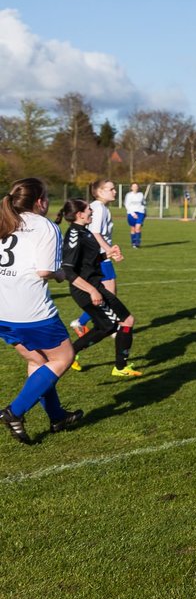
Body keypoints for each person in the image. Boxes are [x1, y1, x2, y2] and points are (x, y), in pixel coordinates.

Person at [0, 178, 84, 444]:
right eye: (46, 196)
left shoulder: (5, 220)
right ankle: (14, 412)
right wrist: (61, 273)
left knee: (37, 361)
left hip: (3, 309)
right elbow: (45, 271)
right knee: (63, 357)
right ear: (39, 201)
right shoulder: (44, 226)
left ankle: (57, 416)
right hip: (31, 310)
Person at [55, 199, 142, 378]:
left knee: (107, 327)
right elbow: (68, 271)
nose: (92, 212)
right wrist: (92, 291)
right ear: (79, 214)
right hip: (87, 289)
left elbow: (87, 262)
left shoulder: (84, 232)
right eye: (88, 210)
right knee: (125, 321)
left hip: (95, 285)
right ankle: (120, 367)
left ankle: (71, 353)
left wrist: (106, 255)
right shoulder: (74, 235)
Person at [69, 179, 120, 336]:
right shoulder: (99, 208)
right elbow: (95, 233)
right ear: (100, 192)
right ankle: (86, 323)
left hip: (98, 256)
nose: (115, 191)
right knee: (109, 295)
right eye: (111, 189)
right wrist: (109, 250)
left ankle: (93, 323)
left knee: (108, 294)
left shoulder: (98, 207)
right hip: (99, 257)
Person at [124, 182, 147, 249]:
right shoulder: (128, 195)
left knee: (138, 228)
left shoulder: (141, 194)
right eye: (133, 186)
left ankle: (137, 243)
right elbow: (126, 205)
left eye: (136, 186)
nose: (135, 188)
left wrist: (145, 212)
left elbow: (144, 204)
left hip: (140, 212)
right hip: (131, 213)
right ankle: (133, 242)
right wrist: (133, 214)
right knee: (133, 228)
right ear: (131, 188)